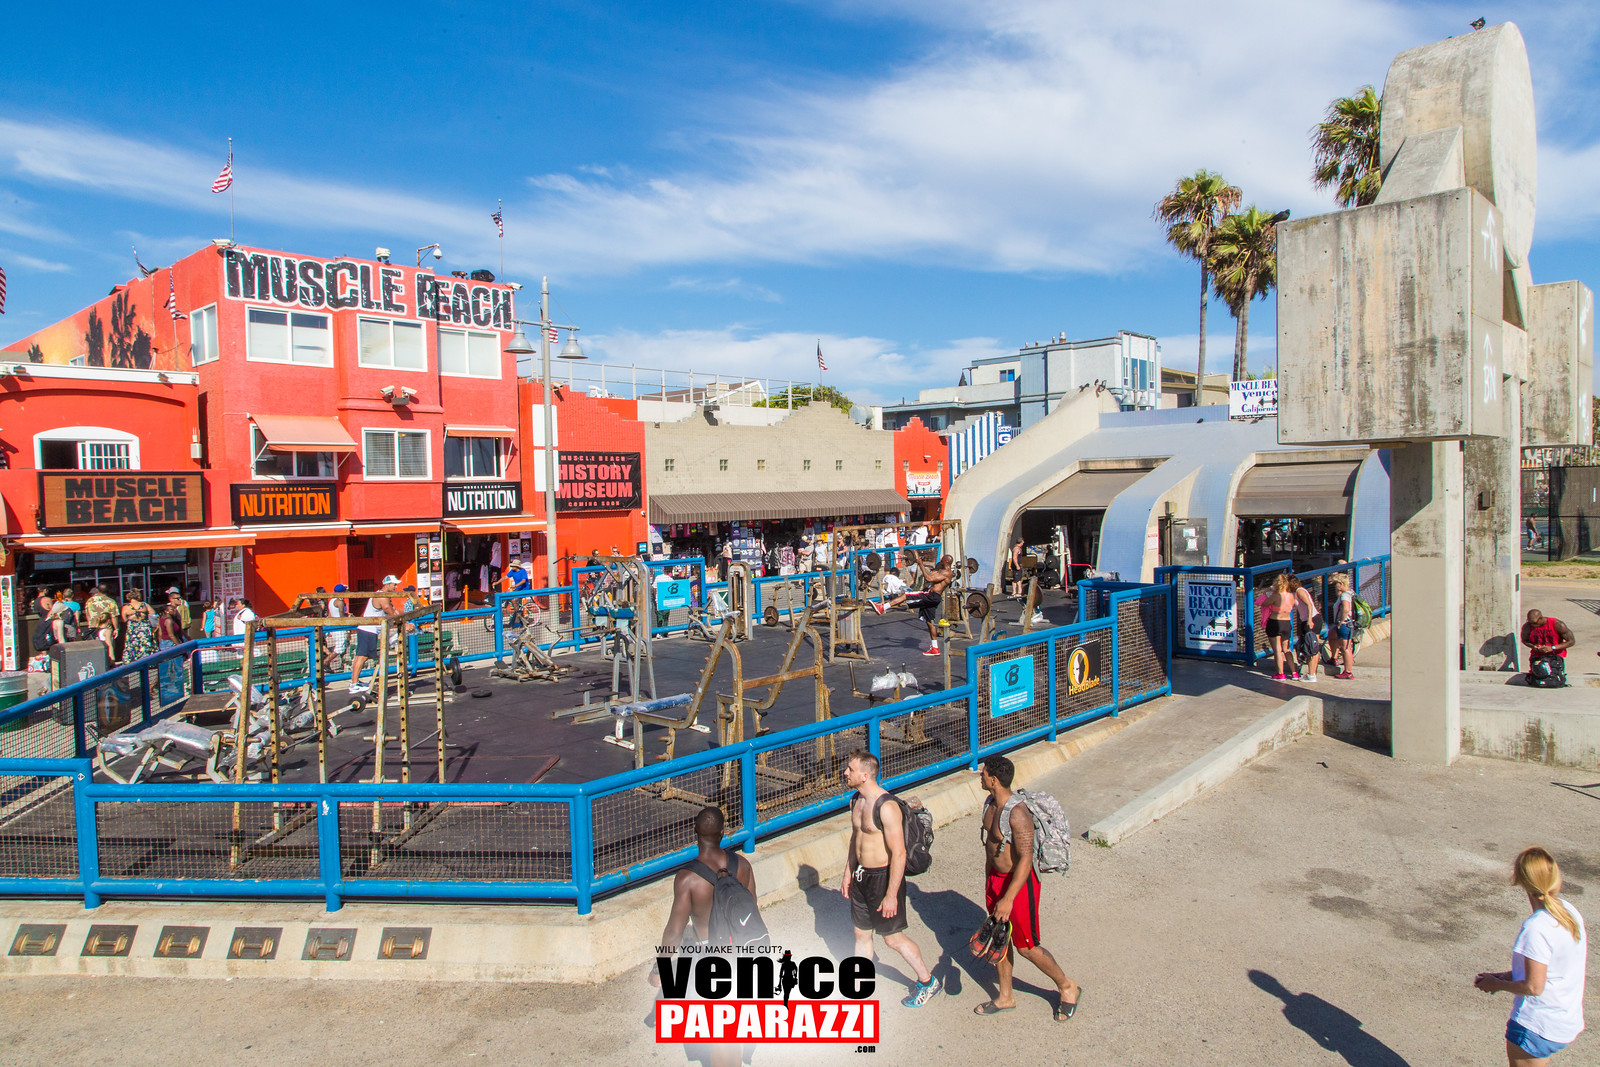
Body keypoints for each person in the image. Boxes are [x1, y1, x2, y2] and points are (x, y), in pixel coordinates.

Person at [974, 755, 1081, 1020]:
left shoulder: (1018, 814)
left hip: (1019, 885)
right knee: (1001, 938)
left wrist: (1008, 898)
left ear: (994, 779)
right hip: (996, 881)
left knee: (1027, 946)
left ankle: (1067, 986)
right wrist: (990, 883)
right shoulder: (989, 803)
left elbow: (1025, 859)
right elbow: (992, 848)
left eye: (983, 773)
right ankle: (1006, 996)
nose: (980, 776)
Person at [654, 806, 757, 1067]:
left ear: (695, 832)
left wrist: (660, 966)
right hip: (741, 951)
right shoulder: (742, 866)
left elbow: (675, 929)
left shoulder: (687, 879)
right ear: (723, 833)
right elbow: (752, 912)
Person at [840, 749, 941, 1007]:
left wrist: (891, 895)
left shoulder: (886, 807)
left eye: (850, 770)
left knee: (893, 938)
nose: (845, 773)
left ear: (864, 775)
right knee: (861, 934)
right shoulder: (856, 800)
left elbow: (898, 853)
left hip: (883, 879)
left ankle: (927, 981)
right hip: (862, 877)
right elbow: (856, 840)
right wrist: (848, 872)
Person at [1473, 846, 1586, 1064]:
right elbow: (1554, 968)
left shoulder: (1536, 928)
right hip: (1563, 1021)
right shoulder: (1569, 912)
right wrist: (1505, 976)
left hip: (1535, 1026)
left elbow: (1534, 987)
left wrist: (1497, 985)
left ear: (1520, 880)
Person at [348, 577, 405, 696]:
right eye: (394, 585)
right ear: (388, 584)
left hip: (371, 630)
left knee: (364, 656)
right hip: (368, 629)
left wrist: (400, 613)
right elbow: (389, 610)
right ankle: (353, 684)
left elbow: (394, 609)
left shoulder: (386, 597)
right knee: (362, 656)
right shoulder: (382, 596)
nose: (396, 587)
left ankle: (355, 682)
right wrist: (399, 617)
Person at [903, 554, 954, 657]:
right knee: (930, 622)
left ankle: (883, 606)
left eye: (941, 560)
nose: (940, 561)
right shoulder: (943, 572)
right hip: (933, 596)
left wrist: (921, 565)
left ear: (945, 561)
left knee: (906, 596)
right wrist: (923, 566)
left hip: (932, 596)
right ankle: (935, 648)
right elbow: (929, 577)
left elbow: (929, 579)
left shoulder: (946, 572)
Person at [1256, 573, 1296, 680]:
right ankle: (1294, 672)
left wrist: (1267, 591)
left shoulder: (1275, 596)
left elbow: (1263, 603)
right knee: (1286, 649)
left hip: (1275, 622)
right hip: (1287, 623)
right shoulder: (1291, 596)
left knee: (1277, 650)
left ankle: (1280, 673)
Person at [1521, 610, 1575, 687]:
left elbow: (1571, 641)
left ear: (1541, 618)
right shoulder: (1527, 626)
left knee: (1552, 678)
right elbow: (1525, 640)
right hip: (1537, 656)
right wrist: (1533, 646)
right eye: (1531, 623)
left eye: (1535, 623)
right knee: (1537, 676)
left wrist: (1553, 648)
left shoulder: (1557, 624)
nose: (1534, 625)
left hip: (1554, 656)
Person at [1288, 576, 1322, 683]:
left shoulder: (1300, 591)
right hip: (1307, 620)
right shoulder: (1295, 593)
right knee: (1311, 647)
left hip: (1311, 620)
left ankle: (1312, 675)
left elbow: (1309, 605)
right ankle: (1312, 673)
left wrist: (1309, 620)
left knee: (1312, 647)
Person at [1328, 575, 1355, 680]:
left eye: (1337, 584)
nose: (1336, 586)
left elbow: (1346, 609)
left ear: (1341, 584)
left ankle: (1348, 672)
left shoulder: (1345, 595)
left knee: (1346, 648)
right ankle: (1333, 658)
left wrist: (1341, 621)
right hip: (1344, 624)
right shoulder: (1351, 592)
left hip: (1345, 624)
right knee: (1332, 635)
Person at [122, 591, 158, 662]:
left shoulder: (125, 607)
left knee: (132, 644)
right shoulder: (145, 605)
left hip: (132, 628)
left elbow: (124, 619)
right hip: (144, 626)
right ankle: (148, 661)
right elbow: (153, 614)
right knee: (146, 643)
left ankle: (132, 661)